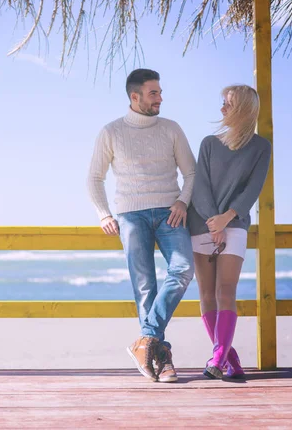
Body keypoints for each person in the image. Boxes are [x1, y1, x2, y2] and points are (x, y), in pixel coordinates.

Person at [87, 69, 196, 382]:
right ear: (134, 97)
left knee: (183, 269)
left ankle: (145, 340)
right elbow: (94, 177)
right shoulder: (111, 132)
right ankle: (161, 359)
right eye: (153, 93)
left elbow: (191, 174)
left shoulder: (172, 128)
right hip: (130, 215)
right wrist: (103, 214)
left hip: (169, 212)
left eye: (160, 92)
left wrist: (182, 202)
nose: (160, 98)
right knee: (145, 287)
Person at [187, 84, 272, 379]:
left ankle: (217, 358)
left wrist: (227, 218)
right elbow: (200, 187)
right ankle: (228, 359)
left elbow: (253, 189)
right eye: (222, 101)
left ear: (243, 108)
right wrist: (214, 220)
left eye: (228, 103)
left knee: (226, 291)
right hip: (200, 224)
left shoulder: (261, 147)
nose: (222, 108)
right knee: (207, 295)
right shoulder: (209, 143)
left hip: (234, 225)